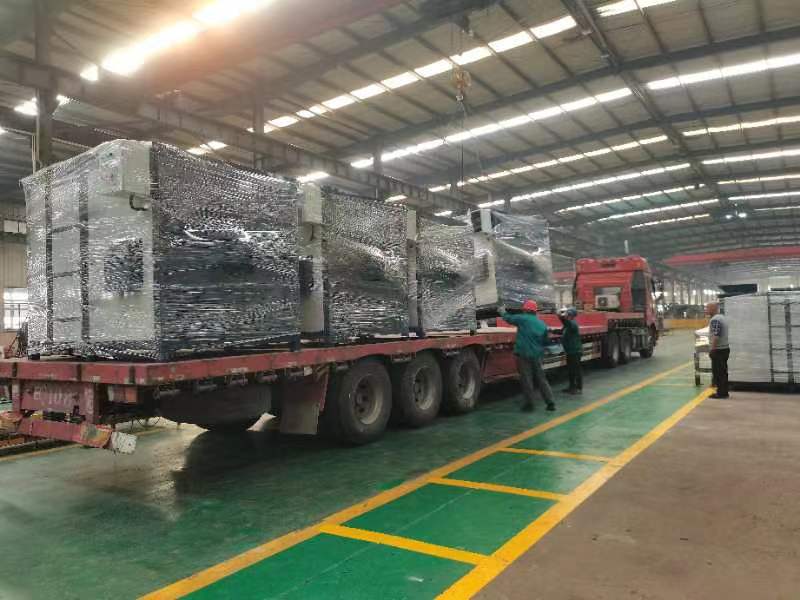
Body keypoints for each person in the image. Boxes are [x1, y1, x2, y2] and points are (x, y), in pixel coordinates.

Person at [499, 300, 556, 412]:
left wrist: (502, 311)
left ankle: (529, 404)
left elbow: (509, 319)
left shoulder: (523, 319)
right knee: (542, 379)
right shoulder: (542, 324)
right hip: (537, 355)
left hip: (524, 354)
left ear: (525, 310)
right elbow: (546, 341)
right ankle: (550, 402)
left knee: (527, 380)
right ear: (535, 311)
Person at [706, 302, 730, 399]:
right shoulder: (722, 317)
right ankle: (724, 392)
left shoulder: (715, 319)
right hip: (724, 348)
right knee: (723, 372)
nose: (706, 310)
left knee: (719, 373)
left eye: (708, 308)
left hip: (718, 350)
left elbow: (716, 335)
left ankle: (721, 393)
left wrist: (712, 349)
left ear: (713, 308)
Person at [558, 307, 583, 394]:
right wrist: (550, 330)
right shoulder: (567, 325)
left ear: (572, 315)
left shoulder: (573, 324)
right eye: (567, 314)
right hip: (570, 351)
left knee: (576, 370)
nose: (567, 316)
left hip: (575, 351)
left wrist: (560, 316)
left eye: (568, 314)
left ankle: (578, 388)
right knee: (571, 370)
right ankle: (572, 387)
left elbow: (566, 322)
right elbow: (561, 331)